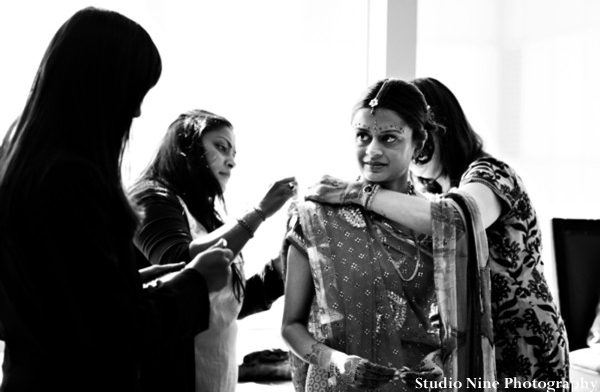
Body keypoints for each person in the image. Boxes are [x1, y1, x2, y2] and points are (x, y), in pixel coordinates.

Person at [0, 7, 233, 392]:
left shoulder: (17, 167)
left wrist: (132, 281)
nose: (138, 110)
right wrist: (195, 281)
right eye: (136, 92)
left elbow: (62, 298)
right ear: (103, 89)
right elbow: (115, 334)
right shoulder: (73, 179)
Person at [308, 77, 570, 389]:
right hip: (476, 348)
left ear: (433, 133)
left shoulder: (491, 175)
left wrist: (356, 192)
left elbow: (457, 221)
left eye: (399, 138)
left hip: (522, 340)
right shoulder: (432, 196)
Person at [282, 78, 495, 392]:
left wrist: (443, 359)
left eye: (389, 138)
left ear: (418, 145)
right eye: (363, 136)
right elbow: (291, 326)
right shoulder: (318, 215)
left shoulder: (436, 223)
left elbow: (457, 325)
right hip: (339, 383)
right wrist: (337, 362)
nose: (372, 151)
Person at [129, 109, 296, 392]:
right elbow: (179, 264)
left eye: (233, 152)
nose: (231, 161)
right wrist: (259, 212)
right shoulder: (149, 198)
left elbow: (228, 303)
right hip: (168, 376)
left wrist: (284, 265)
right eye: (221, 147)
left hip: (215, 377)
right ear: (187, 148)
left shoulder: (208, 220)